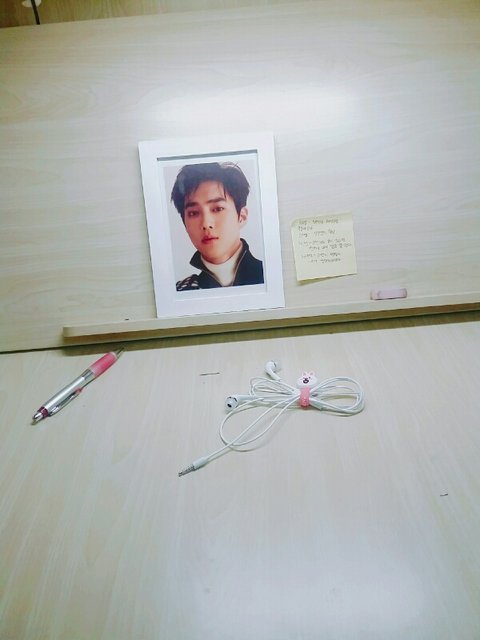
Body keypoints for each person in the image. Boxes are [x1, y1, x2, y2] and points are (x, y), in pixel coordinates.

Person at [171, 162, 264, 291]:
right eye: (193, 213)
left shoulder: (270, 276)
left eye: (218, 209)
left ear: (241, 216)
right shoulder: (182, 291)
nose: (206, 224)